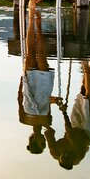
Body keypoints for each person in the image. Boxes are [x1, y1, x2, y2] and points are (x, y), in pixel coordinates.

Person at [45, 57, 90, 170]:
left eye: (64, 155)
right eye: (68, 155)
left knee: (81, 94)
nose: (66, 153)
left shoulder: (55, 151)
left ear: (60, 157)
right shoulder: (78, 156)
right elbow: (69, 132)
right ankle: (86, 67)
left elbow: (48, 129)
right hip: (88, 131)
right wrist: (64, 113)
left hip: (75, 128)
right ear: (72, 158)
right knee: (89, 99)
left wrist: (51, 104)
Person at [18, 12, 58, 154]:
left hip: (29, 85)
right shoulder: (47, 123)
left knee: (30, 52)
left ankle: (31, 23)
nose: (44, 141)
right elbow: (47, 102)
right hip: (44, 87)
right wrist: (56, 101)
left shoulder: (24, 120)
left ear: (33, 141)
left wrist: (22, 81)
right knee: (41, 54)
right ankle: (38, 26)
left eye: (42, 143)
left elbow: (20, 100)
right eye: (44, 144)